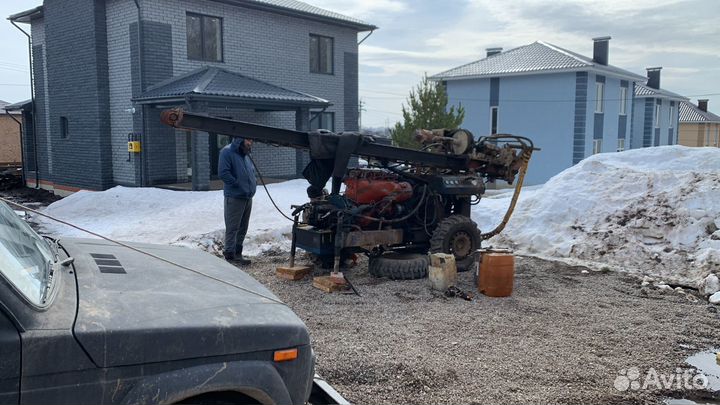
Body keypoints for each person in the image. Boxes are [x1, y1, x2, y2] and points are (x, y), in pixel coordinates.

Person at [218, 137, 256, 265]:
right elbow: (223, 173)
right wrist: (237, 184)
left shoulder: (245, 154)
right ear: (240, 140)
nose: (250, 143)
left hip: (247, 196)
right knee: (233, 227)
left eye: (251, 141)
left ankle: (238, 253)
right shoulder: (227, 152)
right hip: (235, 196)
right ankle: (230, 255)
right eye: (247, 140)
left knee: (243, 227)